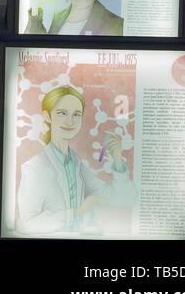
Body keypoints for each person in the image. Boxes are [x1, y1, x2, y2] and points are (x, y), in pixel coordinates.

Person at [16, 85, 133, 235]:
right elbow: (27, 225)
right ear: (47, 116)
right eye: (62, 113)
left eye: (76, 114)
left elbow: (122, 198)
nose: (70, 121)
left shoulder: (76, 165)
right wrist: (75, 213)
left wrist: (117, 159)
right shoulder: (35, 168)